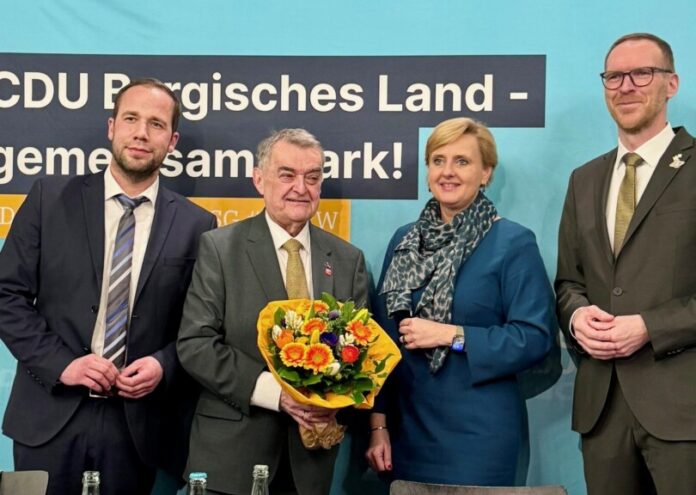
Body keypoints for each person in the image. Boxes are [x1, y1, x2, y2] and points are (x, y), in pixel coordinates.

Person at [0, 78, 217, 495]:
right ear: (111, 127)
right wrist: (62, 364)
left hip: (135, 429)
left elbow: (199, 326)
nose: (140, 132)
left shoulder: (197, 224)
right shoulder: (49, 198)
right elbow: (6, 296)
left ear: (172, 141)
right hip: (49, 416)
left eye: (156, 124)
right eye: (131, 118)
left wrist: (163, 366)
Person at [177, 128, 369, 495]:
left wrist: (334, 399)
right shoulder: (220, 248)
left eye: (312, 177)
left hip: (310, 465)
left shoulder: (347, 260)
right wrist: (276, 393)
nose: (301, 187)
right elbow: (195, 344)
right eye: (287, 175)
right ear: (259, 179)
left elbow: (361, 354)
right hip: (229, 460)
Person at [365, 117, 556, 486]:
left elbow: (534, 338)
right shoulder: (404, 241)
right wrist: (378, 424)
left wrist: (451, 334)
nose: (447, 172)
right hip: (406, 431)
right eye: (438, 160)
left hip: (480, 435)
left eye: (462, 162)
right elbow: (379, 342)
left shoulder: (513, 243)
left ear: (486, 173)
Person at [555, 33, 696, 495]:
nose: (626, 86)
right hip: (603, 411)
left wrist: (651, 326)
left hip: (683, 411)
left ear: (671, 84)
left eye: (642, 73)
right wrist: (576, 317)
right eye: (614, 76)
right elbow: (568, 282)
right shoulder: (584, 180)